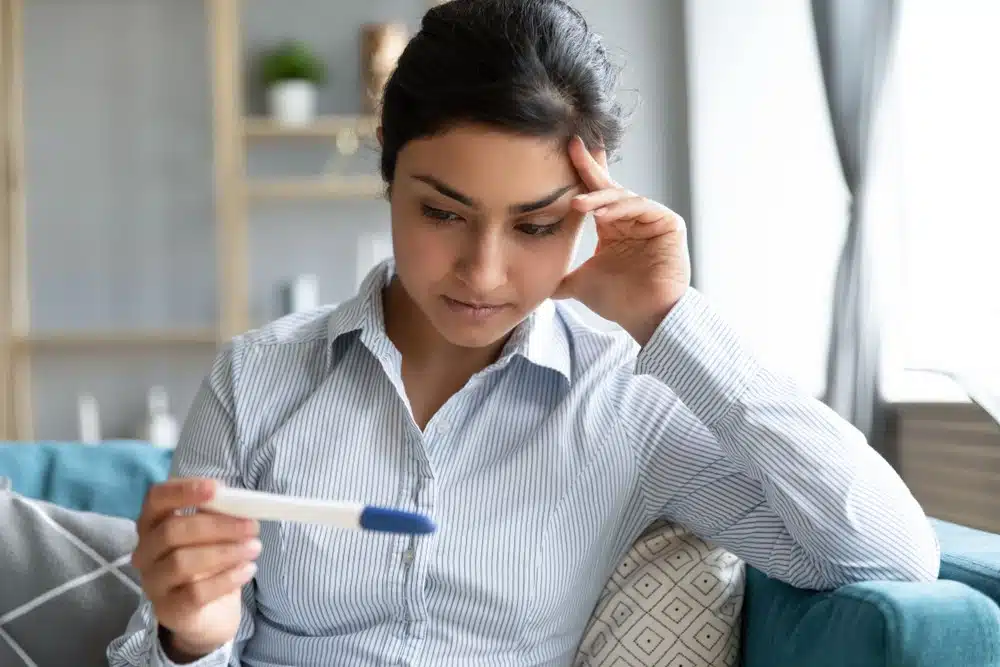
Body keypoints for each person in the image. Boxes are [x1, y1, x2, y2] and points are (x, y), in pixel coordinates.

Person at [107, 1, 939, 665]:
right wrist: (193, 639)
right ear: (387, 175)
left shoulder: (631, 400)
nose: (483, 272)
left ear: (593, 209)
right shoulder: (258, 379)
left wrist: (672, 317)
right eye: (442, 212)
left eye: (536, 226)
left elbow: (889, 555)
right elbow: (170, 644)